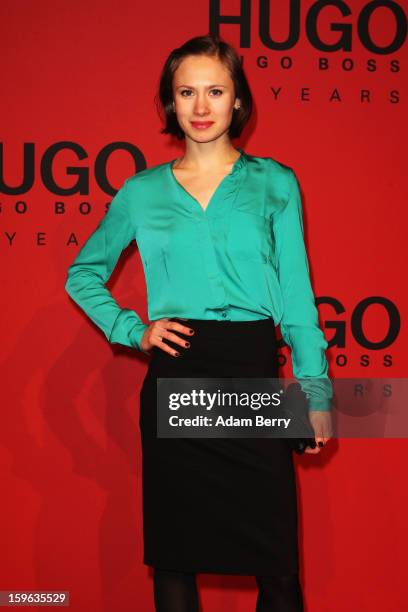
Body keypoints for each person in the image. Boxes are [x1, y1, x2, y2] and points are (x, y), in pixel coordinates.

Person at [65, 33, 333, 612]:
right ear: (171, 102)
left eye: (216, 91)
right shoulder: (141, 193)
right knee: (175, 562)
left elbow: (297, 298)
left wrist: (314, 393)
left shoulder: (275, 183)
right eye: (187, 92)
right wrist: (133, 329)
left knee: (279, 567)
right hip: (178, 377)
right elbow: (82, 274)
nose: (202, 106)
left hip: (255, 374)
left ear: (238, 100)